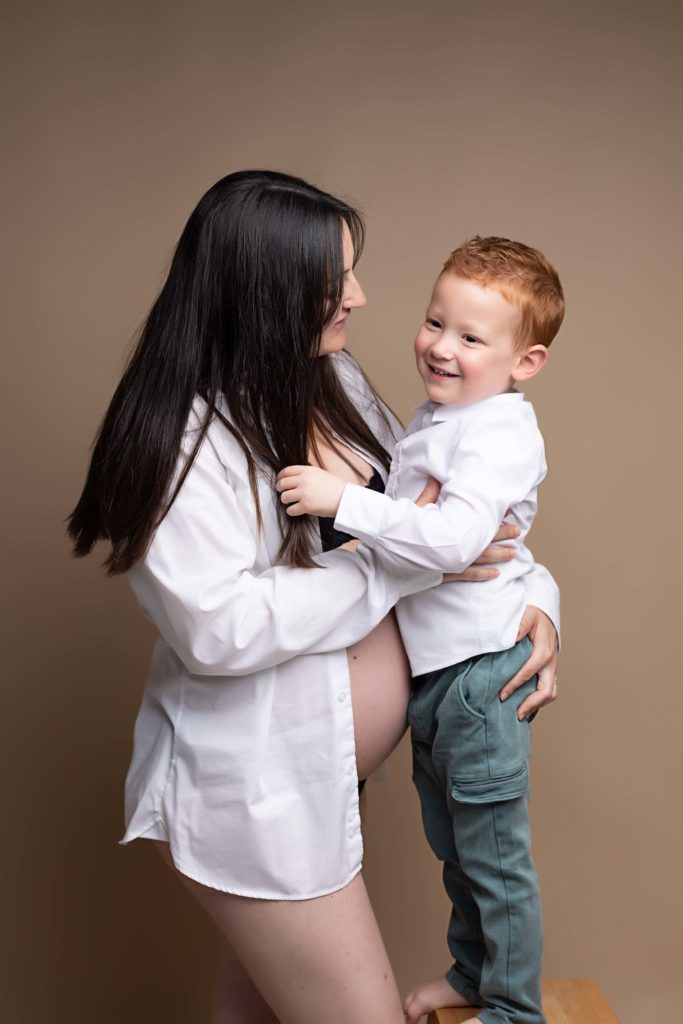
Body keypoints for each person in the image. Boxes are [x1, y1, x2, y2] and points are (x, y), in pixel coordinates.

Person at [67, 172, 560, 1024]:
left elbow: (454, 518)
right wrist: (402, 568)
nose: (361, 297)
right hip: (254, 795)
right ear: (265, 290)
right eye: (335, 280)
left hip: (324, 777)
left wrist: (539, 603)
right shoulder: (175, 441)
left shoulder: (332, 381)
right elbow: (219, 630)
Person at [276, 236, 564, 1024]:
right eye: (435, 322)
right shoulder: (443, 415)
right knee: (459, 850)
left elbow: (455, 543)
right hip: (440, 676)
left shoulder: (498, 431)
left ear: (525, 362)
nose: (441, 346)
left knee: (494, 861)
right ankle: (474, 975)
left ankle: (512, 1010)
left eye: (471, 338)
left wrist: (344, 502)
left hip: (477, 678)